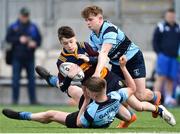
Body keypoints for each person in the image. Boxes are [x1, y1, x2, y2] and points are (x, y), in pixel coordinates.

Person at [81, 6, 161, 119]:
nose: (88, 23)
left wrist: (97, 73)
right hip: (117, 63)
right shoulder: (93, 36)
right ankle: (129, 117)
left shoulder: (109, 30)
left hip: (133, 59)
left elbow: (103, 53)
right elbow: (96, 57)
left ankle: (155, 97)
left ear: (100, 18)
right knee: (118, 91)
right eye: (86, 20)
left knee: (140, 95)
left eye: (90, 19)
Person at [2, 75, 176, 128]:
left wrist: (85, 101)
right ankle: (51, 79)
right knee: (133, 109)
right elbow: (131, 88)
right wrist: (123, 67)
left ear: (92, 93)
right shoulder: (115, 96)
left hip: (90, 118)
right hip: (110, 109)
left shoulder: (90, 111)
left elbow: (79, 121)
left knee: (52, 114)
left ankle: (22, 116)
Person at [5, 7, 42, 104]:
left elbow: (39, 40)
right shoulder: (14, 26)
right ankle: (15, 100)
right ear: (20, 15)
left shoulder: (33, 27)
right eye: (23, 16)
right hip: (16, 57)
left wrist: (35, 44)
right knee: (15, 80)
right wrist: (19, 39)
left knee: (31, 81)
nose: (25, 18)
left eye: (26, 16)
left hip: (29, 57)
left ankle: (33, 101)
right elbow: (8, 39)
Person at [152, 8, 180, 107]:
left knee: (171, 78)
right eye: (169, 16)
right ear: (165, 16)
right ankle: (154, 98)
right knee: (161, 77)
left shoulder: (177, 27)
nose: (171, 17)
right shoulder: (161, 27)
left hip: (174, 58)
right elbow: (155, 41)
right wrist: (159, 53)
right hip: (163, 56)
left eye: (172, 16)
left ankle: (168, 98)